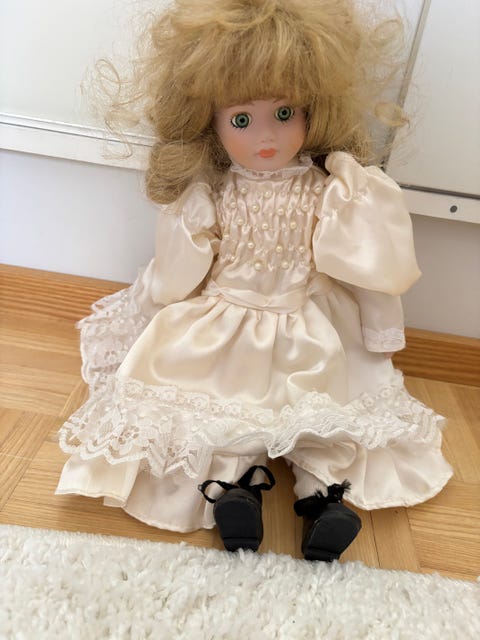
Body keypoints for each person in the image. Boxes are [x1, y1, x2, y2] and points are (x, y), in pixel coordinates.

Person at [56, 0, 452, 561]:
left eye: (284, 113)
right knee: (218, 408)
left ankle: (324, 498)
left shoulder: (337, 191)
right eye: (242, 120)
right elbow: (178, 273)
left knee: (323, 413)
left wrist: (381, 329)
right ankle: (236, 493)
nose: (266, 136)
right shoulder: (210, 195)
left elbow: (369, 267)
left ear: (314, 108)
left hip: (309, 325)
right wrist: (153, 305)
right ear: (210, 123)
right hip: (227, 323)